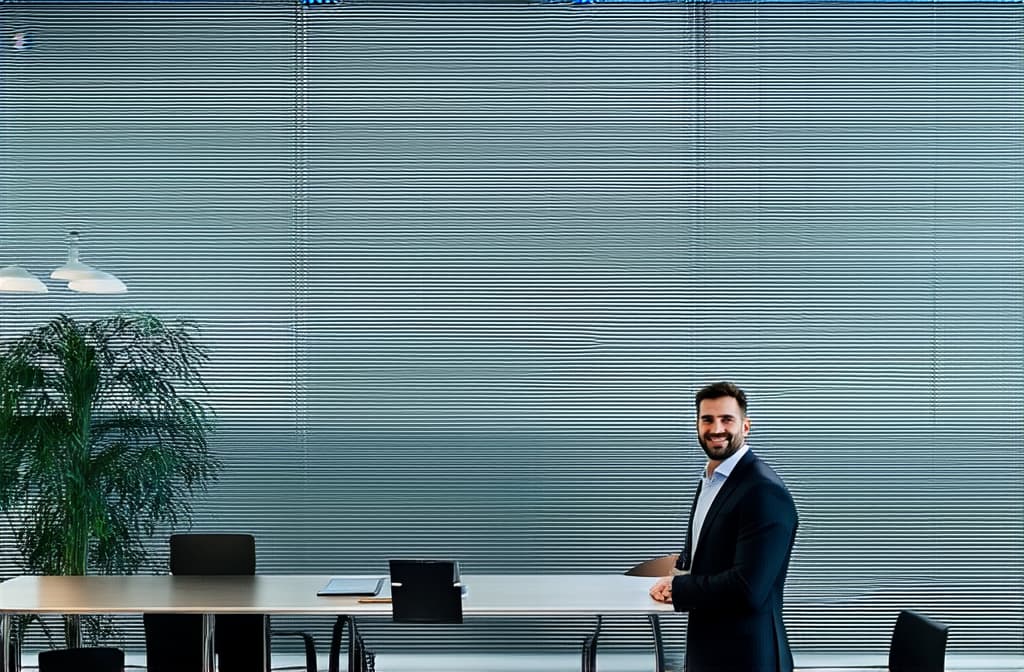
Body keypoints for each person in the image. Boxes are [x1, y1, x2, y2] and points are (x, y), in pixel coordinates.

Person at [649, 381, 798, 672]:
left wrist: (680, 588)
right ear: (697, 425)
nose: (716, 428)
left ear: (745, 426)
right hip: (710, 650)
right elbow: (709, 551)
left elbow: (748, 588)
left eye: (727, 419)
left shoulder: (763, 490)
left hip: (748, 657)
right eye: (707, 419)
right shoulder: (712, 480)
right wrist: (674, 574)